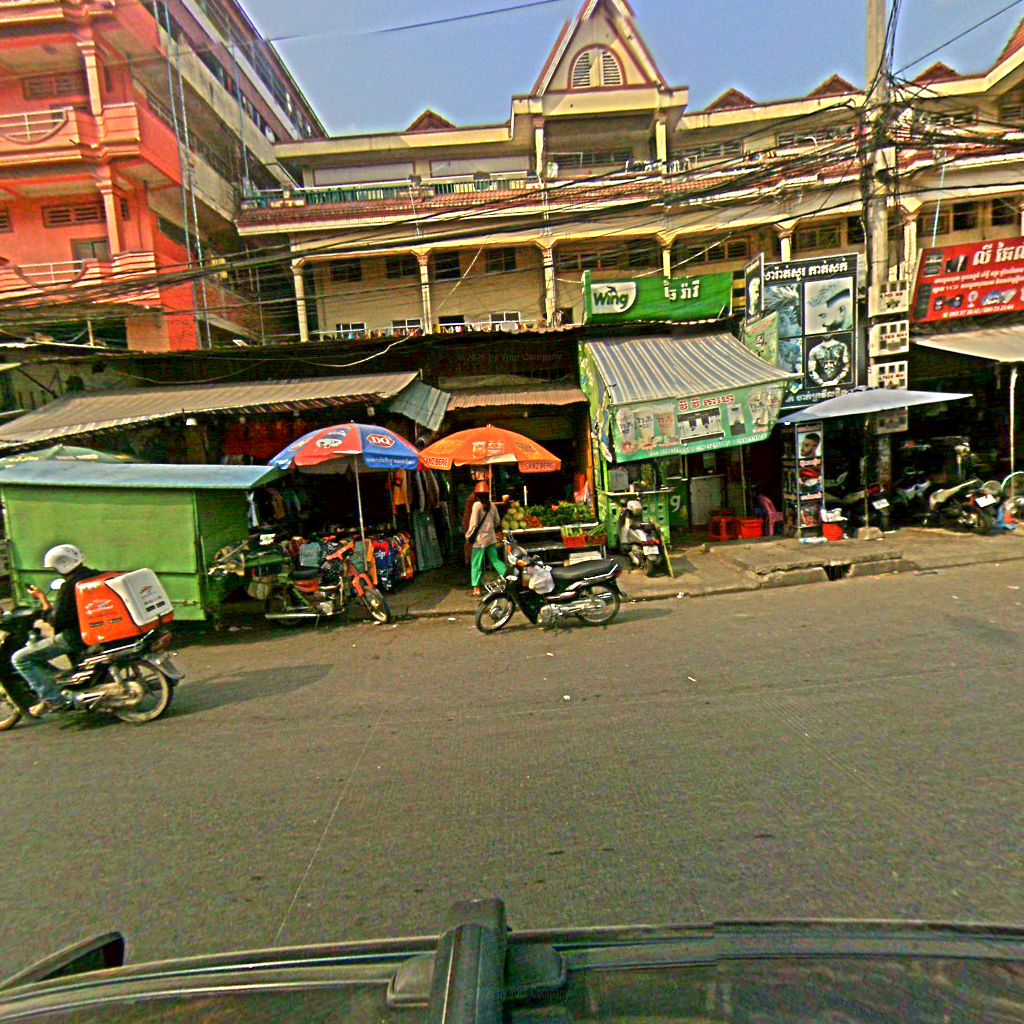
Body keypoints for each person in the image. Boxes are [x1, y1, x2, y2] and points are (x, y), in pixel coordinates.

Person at [13, 544, 98, 717]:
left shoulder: (70, 586)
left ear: (62, 565)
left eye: (54, 568)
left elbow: (56, 620)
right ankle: (62, 681)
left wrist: (42, 599)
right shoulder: (95, 575)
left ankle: (54, 700)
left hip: (75, 636)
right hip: (96, 630)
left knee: (21, 658)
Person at [465, 491, 507, 596]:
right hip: (491, 538)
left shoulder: (477, 505)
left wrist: (468, 536)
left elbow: (474, 524)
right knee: (496, 560)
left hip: (480, 540)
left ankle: (476, 588)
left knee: (476, 564)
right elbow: (497, 521)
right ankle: (508, 578)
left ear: (477, 496)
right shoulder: (492, 505)